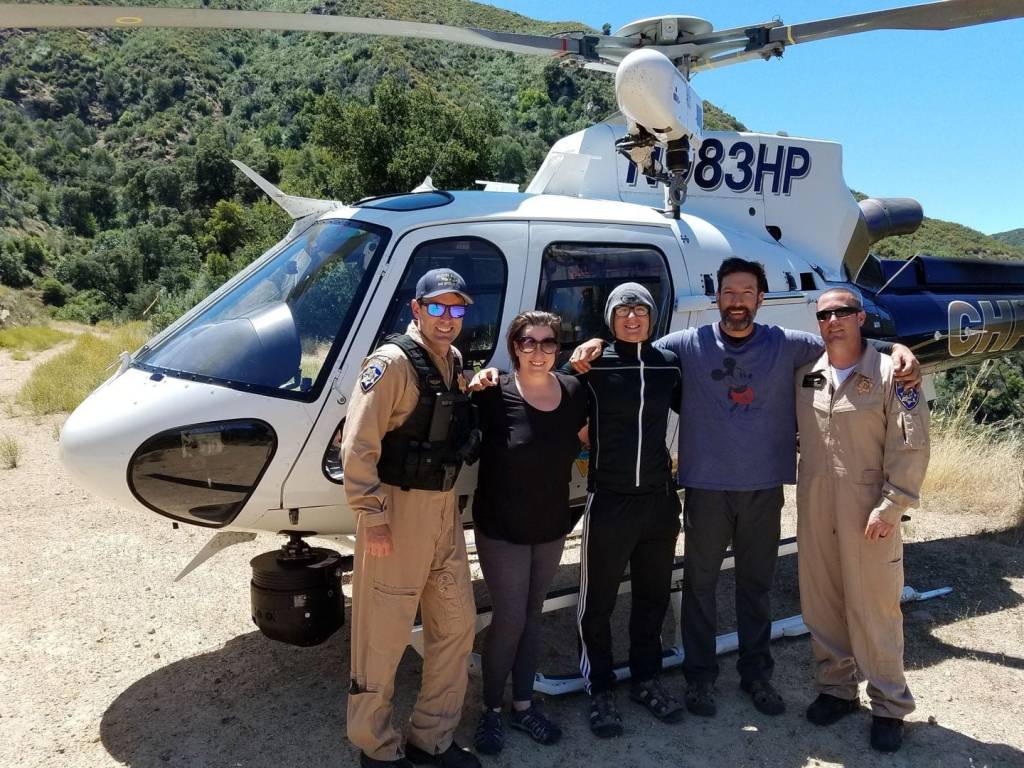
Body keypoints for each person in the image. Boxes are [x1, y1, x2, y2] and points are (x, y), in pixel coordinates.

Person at [571, 258, 920, 719]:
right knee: (700, 587)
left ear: (760, 298)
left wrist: (894, 347)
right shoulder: (685, 345)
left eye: (746, 293)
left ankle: (757, 676)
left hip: (762, 488)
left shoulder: (788, 345)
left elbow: (843, 342)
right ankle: (699, 679)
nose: (737, 302)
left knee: (755, 587)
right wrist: (591, 344)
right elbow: (634, 347)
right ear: (717, 298)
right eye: (729, 294)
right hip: (705, 488)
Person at [341, 268, 481, 768]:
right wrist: (371, 516)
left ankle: (432, 739)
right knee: (382, 638)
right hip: (396, 514)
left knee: (457, 626)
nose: (448, 319)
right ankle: (376, 750)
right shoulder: (392, 363)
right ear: (417, 310)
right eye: (437, 308)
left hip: (442, 511)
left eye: (457, 309)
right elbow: (357, 446)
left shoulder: (452, 359)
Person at [795, 287, 930, 753]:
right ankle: (836, 690)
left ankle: (889, 706)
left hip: (869, 509)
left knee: (875, 609)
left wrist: (892, 506)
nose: (834, 320)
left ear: (861, 317)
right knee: (823, 604)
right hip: (816, 507)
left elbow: (910, 445)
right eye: (825, 314)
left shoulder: (894, 373)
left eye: (843, 311)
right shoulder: (808, 373)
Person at [467, 311, 588, 755]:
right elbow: (453, 404)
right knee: (511, 617)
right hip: (501, 526)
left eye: (548, 342)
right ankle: (490, 712)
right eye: (528, 342)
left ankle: (522, 706)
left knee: (532, 616)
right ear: (514, 346)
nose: (538, 351)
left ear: (559, 347)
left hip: (551, 523)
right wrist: (473, 378)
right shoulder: (493, 393)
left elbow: (593, 433)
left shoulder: (575, 391)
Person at [570, 283, 685, 736]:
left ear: (653, 317)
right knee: (595, 603)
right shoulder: (593, 364)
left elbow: (706, 409)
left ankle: (646, 679)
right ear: (610, 318)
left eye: (640, 310)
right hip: (610, 499)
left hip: (659, 499)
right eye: (623, 310)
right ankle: (600, 689)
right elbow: (547, 390)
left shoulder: (667, 365)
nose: (632, 317)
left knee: (652, 597)